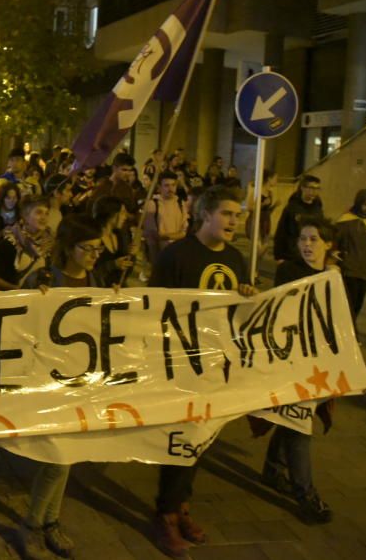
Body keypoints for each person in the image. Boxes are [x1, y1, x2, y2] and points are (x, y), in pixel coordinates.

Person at [148, 184, 257, 557]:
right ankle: (165, 514)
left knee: (202, 436)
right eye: (227, 214)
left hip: (216, 363)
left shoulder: (237, 259)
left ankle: (181, 506)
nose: (234, 221)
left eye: (237, 215)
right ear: (205, 215)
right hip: (179, 364)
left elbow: (238, 312)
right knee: (181, 436)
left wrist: (247, 297)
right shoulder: (175, 256)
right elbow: (151, 310)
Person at [17, 214, 106, 559]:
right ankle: (34, 525)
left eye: (99, 248)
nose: (95, 254)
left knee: (66, 457)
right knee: (58, 458)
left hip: (82, 383)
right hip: (48, 383)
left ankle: (49, 521)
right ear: (69, 248)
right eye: (88, 248)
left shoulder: (96, 280)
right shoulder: (46, 279)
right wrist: (33, 295)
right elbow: (16, 315)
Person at [260, 215, 337, 524]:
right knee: (299, 425)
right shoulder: (288, 271)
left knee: (295, 420)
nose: (306, 244)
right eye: (303, 239)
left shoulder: (334, 279)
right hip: (290, 362)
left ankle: (273, 468)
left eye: (314, 239)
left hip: (319, 364)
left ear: (328, 245)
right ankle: (305, 494)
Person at [336, 189, 366, 328]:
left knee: (358, 304)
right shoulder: (346, 219)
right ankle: (348, 331)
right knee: (349, 303)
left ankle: (349, 330)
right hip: (350, 268)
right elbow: (336, 240)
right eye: (365, 204)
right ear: (358, 202)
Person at [0, 195, 54, 291]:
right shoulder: (9, 244)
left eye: (47, 213)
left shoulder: (47, 245)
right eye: (39, 212)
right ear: (25, 215)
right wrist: (20, 290)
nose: (44, 217)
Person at [142, 171, 188, 274]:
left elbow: (184, 230)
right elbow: (153, 233)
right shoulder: (152, 204)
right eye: (166, 185)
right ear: (159, 187)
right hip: (158, 251)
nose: (170, 189)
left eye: (173, 185)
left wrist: (171, 236)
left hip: (177, 249)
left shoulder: (180, 203)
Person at [273, 175, 323, 263]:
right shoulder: (292, 208)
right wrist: (279, 256)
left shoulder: (318, 207)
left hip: (312, 254)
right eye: (311, 188)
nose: (314, 192)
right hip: (293, 254)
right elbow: (282, 232)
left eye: (317, 188)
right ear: (302, 188)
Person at [92, 196, 134, 287]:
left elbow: (126, 271)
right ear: (112, 214)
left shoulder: (120, 236)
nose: (125, 216)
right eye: (122, 213)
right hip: (99, 292)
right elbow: (90, 272)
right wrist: (113, 265)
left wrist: (131, 254)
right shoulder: (93, 239)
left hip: (119, 290)